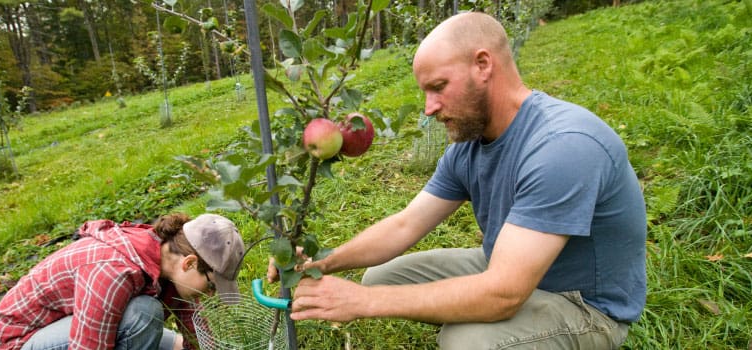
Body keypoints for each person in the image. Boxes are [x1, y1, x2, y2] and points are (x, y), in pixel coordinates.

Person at [276, 11, 647, 349]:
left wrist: (362, 303)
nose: (428, 107)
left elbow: (504, 293)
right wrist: (323, 263)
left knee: (466, 342)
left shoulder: (563, 146)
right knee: (380, 278)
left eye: (438, 87)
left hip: (583, 305)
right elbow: (406, 224)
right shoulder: (471, 144)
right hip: (507, 266)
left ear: (483, 65)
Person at [0, 213, 245, 350]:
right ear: (189, 262)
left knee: (175, 345)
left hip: (66, 327)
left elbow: (193, 328)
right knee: (144, 314)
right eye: (211, 285)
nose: (211, 294)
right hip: (19, 342)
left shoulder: (166, 257)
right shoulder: (114, 271)